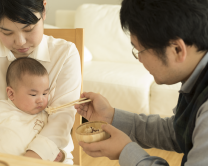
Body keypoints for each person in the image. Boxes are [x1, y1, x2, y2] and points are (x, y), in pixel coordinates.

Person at [75, 0, 208, 165]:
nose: (139, 59)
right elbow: (178, 131)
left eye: (140, 50)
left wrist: (125, 151)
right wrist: (110, 116)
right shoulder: (197, 77)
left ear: (177, 49)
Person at [0, 0, 81, 164]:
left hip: (48, 158)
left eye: (28, 29)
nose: (20, 42)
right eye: (7, 32)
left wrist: (25, 162)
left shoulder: (65, 54)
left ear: (44, 10)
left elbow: (61, 120)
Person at [0, 57, 64, 162]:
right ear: (11, 94)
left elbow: (53, 141)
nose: (41, 100)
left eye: (45, 93)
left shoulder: (45, 116)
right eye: (33, 94)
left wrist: (60, 155)